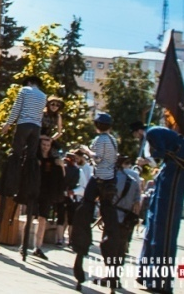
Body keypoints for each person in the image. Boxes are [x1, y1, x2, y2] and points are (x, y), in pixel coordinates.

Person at [132, 121, 184, 293]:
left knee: (165, 226)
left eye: (135, 134)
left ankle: (160, 280)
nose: (136, 137)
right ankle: (147, 273)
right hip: (172, 166)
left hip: (178, 167)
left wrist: (144, 161)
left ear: (139, 131)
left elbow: (160, 153)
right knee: (155, 222)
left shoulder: (152, 133)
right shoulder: (155, 133)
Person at [72, 113, 121, 290]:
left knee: (85, 210)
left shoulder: (100, 139)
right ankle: (113, 270)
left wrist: (86, 151)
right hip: (110, 182)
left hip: (99, 179)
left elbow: (98, 158)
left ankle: (80, 249)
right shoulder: (113, 140)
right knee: (110, 221)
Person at [0, 75, 47, 197]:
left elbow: (16, 108)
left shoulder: (24, 90)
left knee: (16, 153)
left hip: (24, 124)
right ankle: (28, 183)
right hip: (36, 127)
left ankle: (11, 184)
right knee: (31, 156)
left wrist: (8, 124)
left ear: (29, 82)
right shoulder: (43, 96)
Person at [27, 134, 64, 260]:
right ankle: (25, 244)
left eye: (48, 145)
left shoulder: (53, 160)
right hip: (34, 191)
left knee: (43, 219)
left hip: (46, 193)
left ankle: (38, 247)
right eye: (43, 145)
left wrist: (61, 165)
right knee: (30, 217)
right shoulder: (34, 157)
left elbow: (61, 177)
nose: (45, 147)